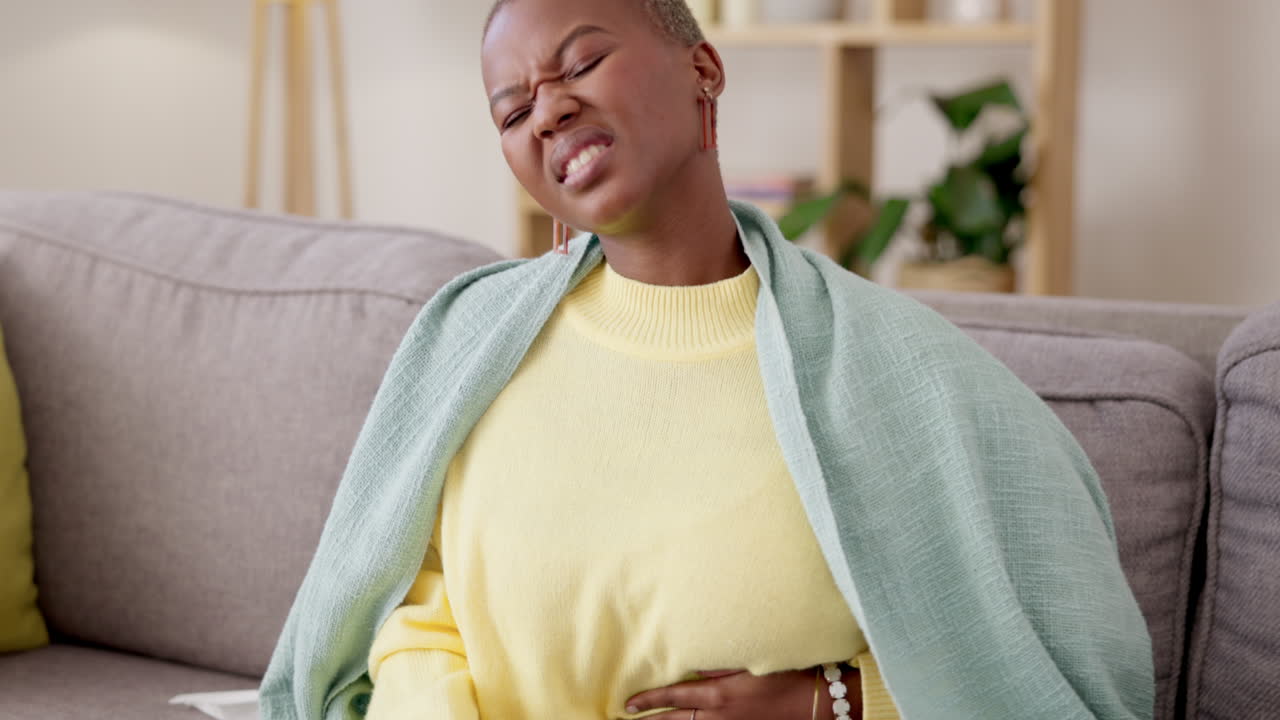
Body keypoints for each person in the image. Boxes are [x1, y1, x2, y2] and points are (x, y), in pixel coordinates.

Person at [257, 1, 1155, 718]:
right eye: (514, 108)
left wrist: (838, 703)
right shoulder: (470, 343)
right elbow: (409, 616)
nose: (551, 109)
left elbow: (1055, 666)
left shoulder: (906, 372)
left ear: (703, 71)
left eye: (580, 64)